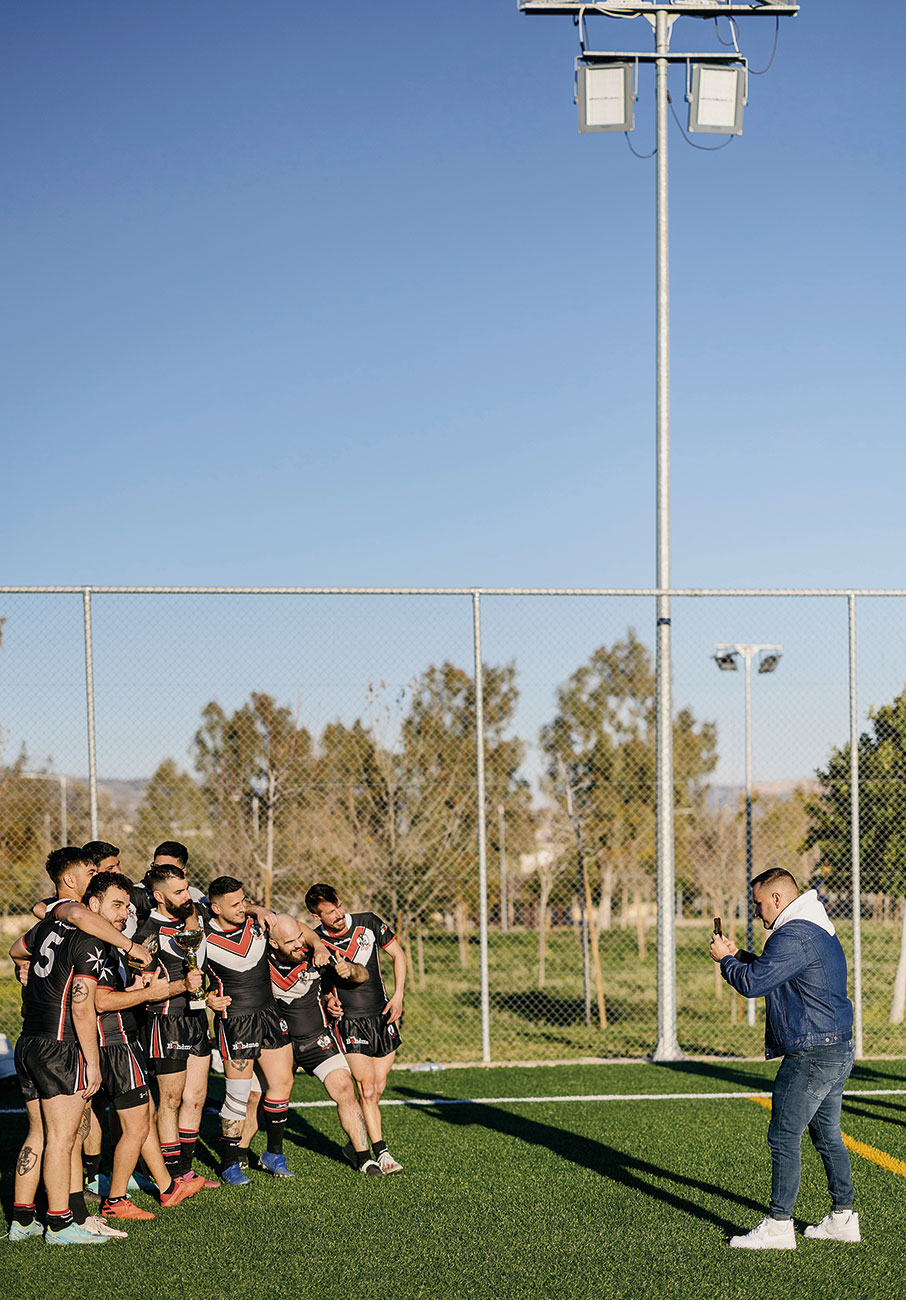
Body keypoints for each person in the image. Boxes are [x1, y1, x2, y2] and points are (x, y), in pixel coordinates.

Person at [710, 868, 858, 1250]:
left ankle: (779, 1224)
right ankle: (843, 1218)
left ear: (776, 899)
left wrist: (727, 963)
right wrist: (737, 955)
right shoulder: (812, 925)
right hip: (837, 1046)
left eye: (759, 903)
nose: (757, 912)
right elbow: (771, 970)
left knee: (783, 1133)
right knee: (826, 1133)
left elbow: (754, 983)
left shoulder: (792, 934)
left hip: (813, 1051)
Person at [83, 871, 208, 1219]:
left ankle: (168, 1187)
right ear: (93, 905)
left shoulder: (112, 944)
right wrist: (146, 992)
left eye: (126, 905)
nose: (124, 913)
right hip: (114, 1042)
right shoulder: (96, 946)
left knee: (147, 1113)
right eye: (116, 905)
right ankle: (115, 1199)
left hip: (124, 1039)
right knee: (137, 1125)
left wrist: (150, 984)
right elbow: (103, 1002)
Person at [8, 848, 113, 1245]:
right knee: (62, 1139)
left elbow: (18, 950)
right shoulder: (82, 932)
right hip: (59, 1046)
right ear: (69, 881)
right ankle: (59, 1223)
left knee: (37, 1132)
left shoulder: (44, 928)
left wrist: (22, 966)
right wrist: (93, 1062)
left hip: (29, 1043)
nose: (96, 876)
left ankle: (21, 1220)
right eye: (90, 872)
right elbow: (82, 1009)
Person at [205, 876, 329, 1184]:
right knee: (237, 1094)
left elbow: (299, 930)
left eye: (244, 900)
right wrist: (207, 998)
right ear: (215, 907)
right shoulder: (202, 936)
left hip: (270, 1014)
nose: (243, 906)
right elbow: (188, 977)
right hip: (236, 1020)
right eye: (235, 904)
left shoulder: (259, 924)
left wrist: (317, 945)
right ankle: (230, 1162)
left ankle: (274, 1153)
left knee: (282, 1082)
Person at [266, 913, 382, 1175]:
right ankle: (237, 1158)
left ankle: (363, 1157)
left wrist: (348, 971)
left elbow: (362, 975)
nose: (299, 945)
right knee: (253, 1097)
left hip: (316, 1039)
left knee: (344, 1089)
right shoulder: (259, 958)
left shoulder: (317, 955)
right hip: (277, 1042)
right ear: (274, 944)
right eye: (291, 942)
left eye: (300, 938)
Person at [307, 883, 406, 1175]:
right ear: (316, 917)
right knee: (368, 1088)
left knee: (378, 1087)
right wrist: (329, 1002)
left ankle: (353, 1145)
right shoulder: (318, 942)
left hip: (383, 1015)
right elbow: (323, 984)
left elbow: (398, 956)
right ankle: (382, 1154)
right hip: (349, 1022)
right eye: (330, 913)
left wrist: (398, 996)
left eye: (338, 907)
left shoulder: (369, 922)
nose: (338, 915)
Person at [133, 862, 220, 1189]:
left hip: (196, 1018)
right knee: (169, 1100)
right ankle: (168, 1175)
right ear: (158, 896)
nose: (188, 897)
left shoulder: (192, 922)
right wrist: (181, 985)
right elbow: (143, 991)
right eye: (179, 892)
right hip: (166, 1021)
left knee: (196, 1097)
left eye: (187, 889)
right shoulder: (147, 935)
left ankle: (185, 1170)